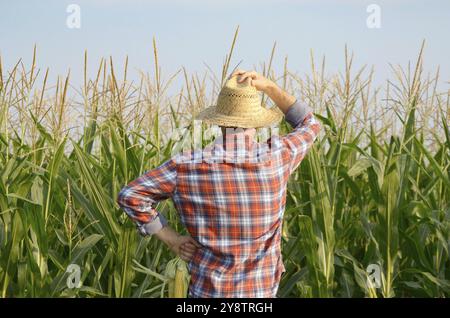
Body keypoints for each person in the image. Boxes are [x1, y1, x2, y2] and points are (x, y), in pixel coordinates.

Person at [117, 70, 322, 298]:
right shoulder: (278, 157)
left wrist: (171, 239)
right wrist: (270, 88)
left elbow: (130, 195)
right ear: (256, 121)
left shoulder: (185, 166)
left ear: (220, 122)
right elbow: (309, 123)